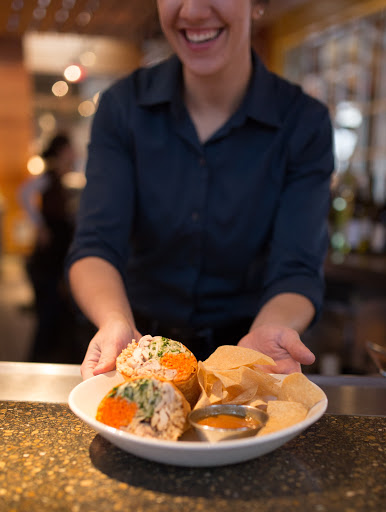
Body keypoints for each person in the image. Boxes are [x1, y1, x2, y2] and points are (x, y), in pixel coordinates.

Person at [66, 0, 334, 380]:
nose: (191, 11)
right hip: (139, 346)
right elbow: (95, 245)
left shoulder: (304, 122)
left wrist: (269, 331)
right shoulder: (122, 107)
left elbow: (298, 268)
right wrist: (114, 320)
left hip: (246, 355)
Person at [20, 133, 77, 362]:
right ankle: (35, 362)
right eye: (70, 149)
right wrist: (40, 225)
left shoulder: (60, 179)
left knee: (53, 315)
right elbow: (23, 193)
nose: (74, 153)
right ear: (62, 151)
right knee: (48, 315)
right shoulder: (49, 177)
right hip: (48, 260)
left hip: (56, 257)